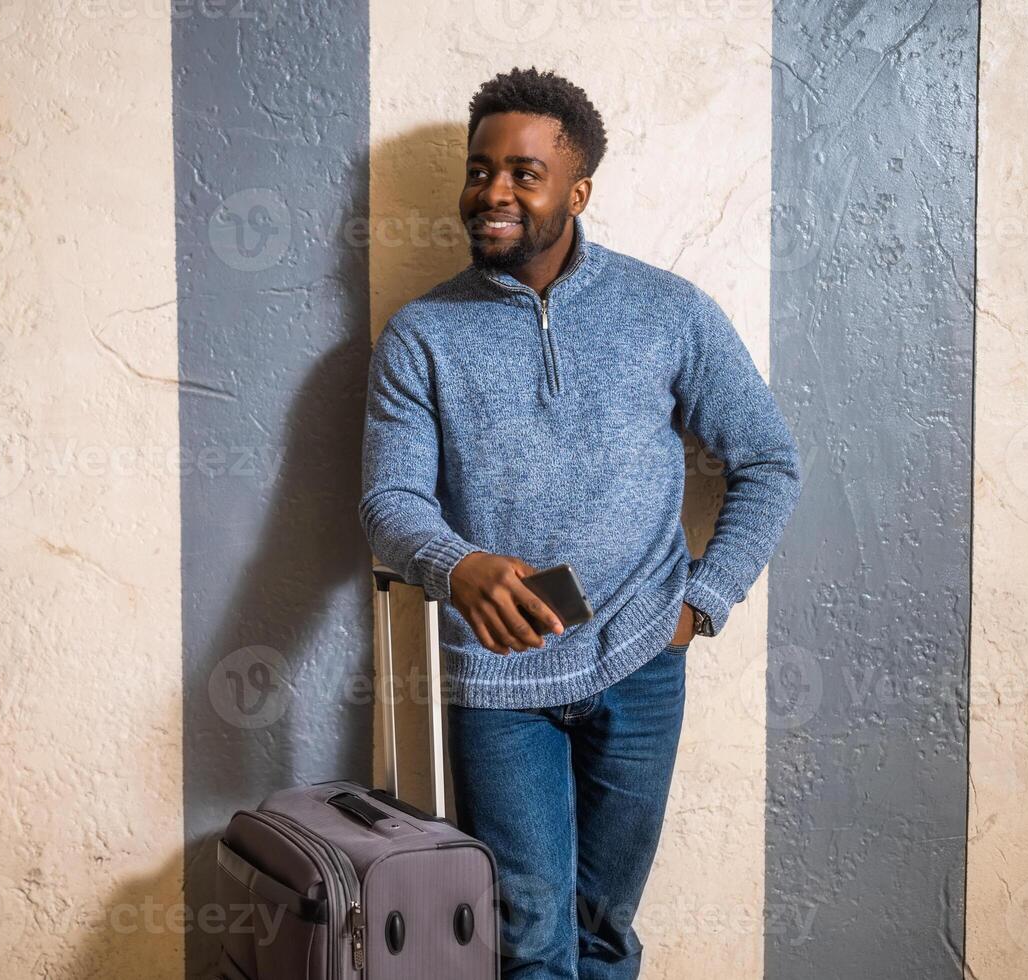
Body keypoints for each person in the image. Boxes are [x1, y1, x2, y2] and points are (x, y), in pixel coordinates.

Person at [357, 66, 802, 979]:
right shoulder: (421, 334)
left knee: (605, 933)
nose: (494, 194)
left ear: (577, 189)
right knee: (528, 943)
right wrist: (457, 565)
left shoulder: (667, 312)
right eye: (481, 171)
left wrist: (700, 605)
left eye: (523, 172)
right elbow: (388, 501)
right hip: (498, 679)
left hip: (643, 662)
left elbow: (768, 461)